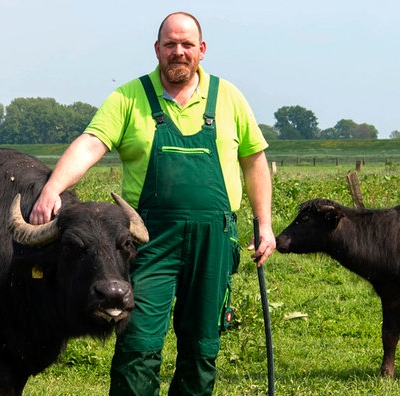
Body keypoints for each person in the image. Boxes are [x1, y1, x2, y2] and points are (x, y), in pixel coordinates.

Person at [30, 11, 275, 395]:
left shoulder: (228, 98)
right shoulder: (129, 98)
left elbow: (254, 160)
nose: (179, 52)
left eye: (187, 45)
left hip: (213, 240)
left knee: (202, 346)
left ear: (202, 50)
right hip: (147, 241)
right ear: (157, 48)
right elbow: (92, 142)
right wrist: (52, 188)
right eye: (171, 44)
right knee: (138, 343)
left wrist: (265, 225)